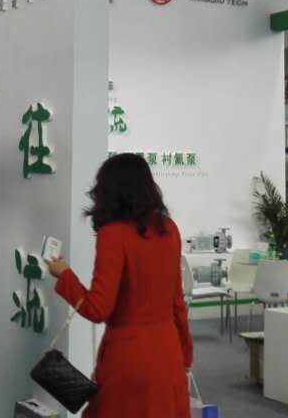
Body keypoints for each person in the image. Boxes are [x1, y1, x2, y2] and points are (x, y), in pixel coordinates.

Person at [43, 153, 193, 417]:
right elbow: (177, 302)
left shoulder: (113, 234)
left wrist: (64, 275)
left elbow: (98, 308)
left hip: (128, 359)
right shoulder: (169, 228)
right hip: (168, 353)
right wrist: (186, 354)